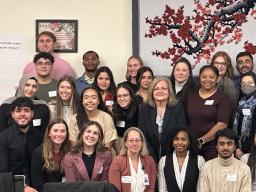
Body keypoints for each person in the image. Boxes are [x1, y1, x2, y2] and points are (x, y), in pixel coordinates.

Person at [184, 65, 232, 161]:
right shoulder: (190, 95)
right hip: (190, 144)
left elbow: (222, 124)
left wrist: (202, 140)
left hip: (212, 146)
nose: (207, 79)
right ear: (199, 78)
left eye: (211, 77)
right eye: (204, 76)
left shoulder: (223, 98)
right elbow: (184, 118)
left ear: (217, 79)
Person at [139, 76, 187, 162]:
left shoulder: (177, 107)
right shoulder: (144, 108)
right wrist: (152, 159)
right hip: (149, 156)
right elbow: (143, 136)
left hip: (173, 156)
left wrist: (168, 160)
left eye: (164, 88)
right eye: (156, 89)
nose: (160, 91)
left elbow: (181, 134)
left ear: (169, 91)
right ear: (151, 92)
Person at [0, 97, 42, 192]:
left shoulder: (39, 137)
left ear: (32, 114)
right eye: (18, 111)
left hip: (37, 187)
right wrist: (22, 187)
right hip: (11, 187)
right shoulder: (3, 138)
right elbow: (2, 171)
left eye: (26, 111)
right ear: (13, 114)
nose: (22, 114)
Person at [0, 75, 50, 139]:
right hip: (10, 146)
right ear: (21, 86)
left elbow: (46, 131)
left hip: (36, 146)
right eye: (27, 85)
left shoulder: (42, 106)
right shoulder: (6, 105)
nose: (30, 89)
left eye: (34, 86)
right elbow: (1, 131)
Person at [69, 87, 118, 151]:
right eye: (86, 98)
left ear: (99, 101)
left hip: (102, 157)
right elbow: (74, 147)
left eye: (93, 98)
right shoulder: (74, 119)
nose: (90, 101)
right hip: (79, 158)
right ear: (82, 101)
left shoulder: (106, 118)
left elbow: (107, 148)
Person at [109, 127, 156, 192]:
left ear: (142, 143)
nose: (134, 143)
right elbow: (115, 190)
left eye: (137, 140)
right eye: (131, 140)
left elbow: (151, 188)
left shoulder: (150, 161)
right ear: (126, 143)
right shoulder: (117, 162)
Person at [158, 126, 205, 192]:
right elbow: (162, 189)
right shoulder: (163, 161)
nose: (180, 142)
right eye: (176, 139)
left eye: (183, 139)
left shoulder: (199, 160)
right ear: (172, 141)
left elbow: (201, 189)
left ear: (189, 142)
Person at [31, 118, 71, 192]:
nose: (59, 134)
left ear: (66, 134)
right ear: (49, 133)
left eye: (62, 131)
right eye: (55, 131)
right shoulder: (39, 152)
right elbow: (37, 182)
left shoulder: (71, 150)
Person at [233, 73, 256, 159]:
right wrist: (237, 148)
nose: (246, 86)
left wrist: (245, 150)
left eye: (250, 83)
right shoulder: (239, 103)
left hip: (252, 149)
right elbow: (236, 128)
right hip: (238, 148)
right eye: (243, 84)